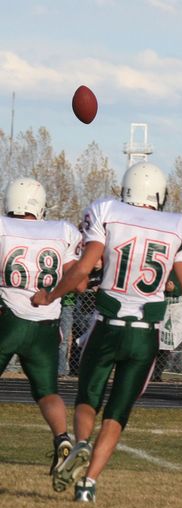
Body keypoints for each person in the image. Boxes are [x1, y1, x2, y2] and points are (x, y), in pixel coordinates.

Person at [32, 162, 182, 502]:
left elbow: (84, 268)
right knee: (118, 411)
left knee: (88, 399)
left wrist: (51, 295)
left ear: (127, 189)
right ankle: (88, 485)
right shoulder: (180, 226)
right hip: (146, 335)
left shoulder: (107, 211)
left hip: (107, 325)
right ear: (158, 194)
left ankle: (80, 443)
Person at [0, 178, 82, 477]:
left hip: (8, 318)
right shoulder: (62, 231)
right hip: (46, 323)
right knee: (47, 392)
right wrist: (51, 294)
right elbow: (81, 280)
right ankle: (62, 438)